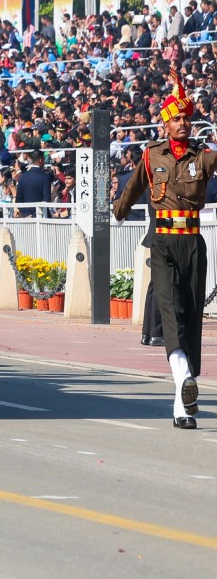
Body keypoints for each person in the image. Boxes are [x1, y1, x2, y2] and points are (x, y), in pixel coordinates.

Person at [112, 76, 215, 428]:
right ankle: (184, 376)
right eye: (177, 119)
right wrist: (119, 211)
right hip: (162, 242)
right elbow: (133, 187)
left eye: (187, 118)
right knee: (170, 311)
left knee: (190, 316)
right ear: (165, 122)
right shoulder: (151, 154)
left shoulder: (203, 157)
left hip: (192, 243)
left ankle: (183, 404)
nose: (183, 123)